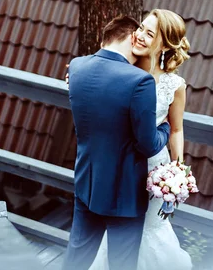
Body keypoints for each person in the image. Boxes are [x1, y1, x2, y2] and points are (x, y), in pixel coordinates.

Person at [63, 15, 171, 270]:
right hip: (124, 194)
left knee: (76, 259)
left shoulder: (76, 67)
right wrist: (164, 129)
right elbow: (147, 144)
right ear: (132, 36)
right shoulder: (139, 81)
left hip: (86, 182)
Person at [90, 9, 193, 270]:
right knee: (118, 228)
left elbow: (176, 129)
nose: (139, 36)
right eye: (141, 29)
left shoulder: (174, 85)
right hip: (120, 164)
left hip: (154, 168)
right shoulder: (121, 66)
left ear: (165, 45)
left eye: (150, 33)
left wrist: (177, 172)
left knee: (151, 228)